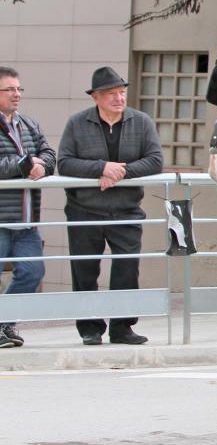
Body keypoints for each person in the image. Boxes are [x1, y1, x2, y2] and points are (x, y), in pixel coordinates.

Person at [58, 67, 163, 345]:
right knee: (85, 270)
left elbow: (155, 160)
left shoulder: (140, 122)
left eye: (121, 92)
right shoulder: (77, 123)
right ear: (96, 97)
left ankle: (122, 327)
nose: (118, 98)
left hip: (126, 209)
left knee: (127, 268)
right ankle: (90, 328)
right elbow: (65, 162)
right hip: (84, 209)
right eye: (111, 94)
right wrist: (101, 168)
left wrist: (120, 172)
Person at [0, 67, 56, 348]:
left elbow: (49, 153)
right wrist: (24, 165)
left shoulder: (29, 124)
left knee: (32, 272)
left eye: (19, 89)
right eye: (10, 89)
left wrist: (42, 165)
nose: (16, 94)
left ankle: (4, 323)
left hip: (26, 220)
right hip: (0, 220)